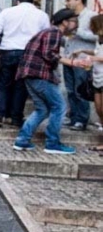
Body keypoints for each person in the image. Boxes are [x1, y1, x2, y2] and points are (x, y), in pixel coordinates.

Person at [12, 9, 89, 155]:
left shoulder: (47, 32)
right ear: (65, 22)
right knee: (59, 107)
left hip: (30, 75)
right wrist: (73, 62)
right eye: (74, 22)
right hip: (39, 75)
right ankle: (52, 143)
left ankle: (22, 140)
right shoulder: (54, 33)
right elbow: (49, 54)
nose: (76, 26)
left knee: (42, 109)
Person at [0, 0, 51, 128]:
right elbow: (46, 36)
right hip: (30, 54)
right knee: (21, 86)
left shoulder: (7, 12)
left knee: (3, 85)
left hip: (8, 51)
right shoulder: (41, 15)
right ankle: (16, 118)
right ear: (33, 2)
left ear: (18, 2)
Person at [63, 0, 97, 131]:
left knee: (80, 90)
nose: (67, 3)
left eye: (69, 0)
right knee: (70, 90)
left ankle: (81, 120)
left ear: (79, 0)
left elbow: (97, 36)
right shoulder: (69, 17)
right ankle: (73, 117)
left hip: (82, 60)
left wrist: (77, 32)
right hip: (69, 58)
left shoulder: (91, 16)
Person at [72, 14, 103, 148]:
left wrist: (92, 59)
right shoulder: (99, 39)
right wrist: (84, 51)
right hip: (97, 77)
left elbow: (100, 57)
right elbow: (98, 53)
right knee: (99, 109)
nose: (90, 27)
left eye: (92, 25)